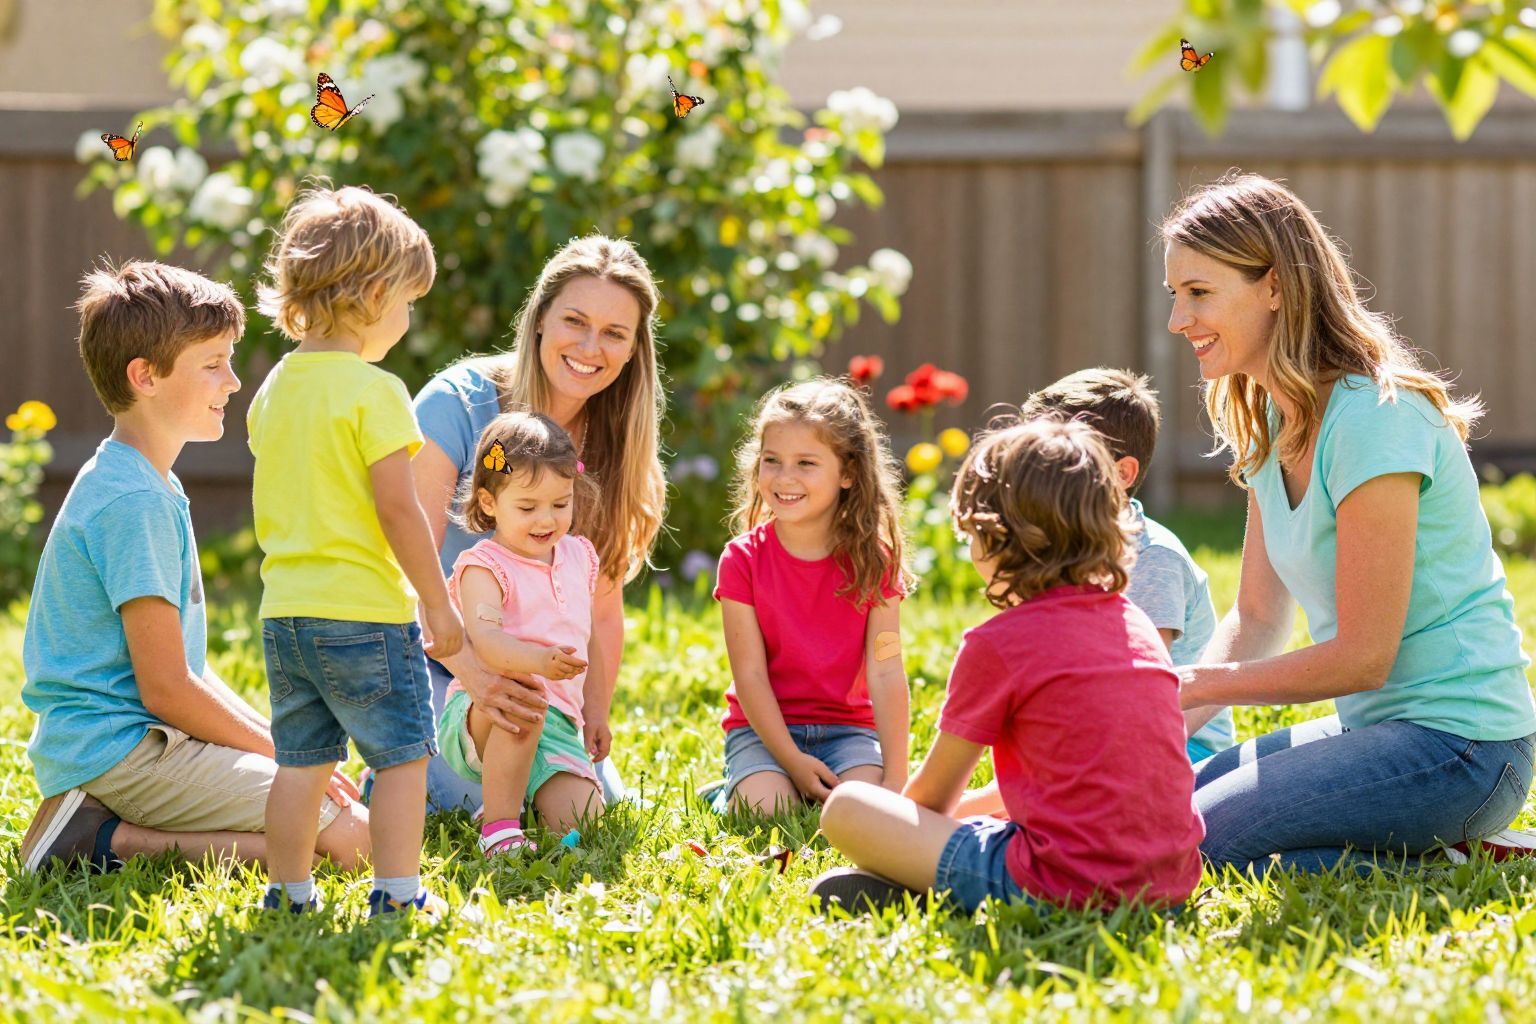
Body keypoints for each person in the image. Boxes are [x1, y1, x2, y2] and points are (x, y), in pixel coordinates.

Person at [1163, 172, 1536, 873]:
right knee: (1170, 802)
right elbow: (1257, 613)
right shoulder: (1272, 417)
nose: (1179, 321)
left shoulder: (1372, 418)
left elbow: (1367, 658)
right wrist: (1160, 731)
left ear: (1275, 286)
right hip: (1381, 732)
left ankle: (1450, 857)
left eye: (1200, 293)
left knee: (1193, 844)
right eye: (1175, 295)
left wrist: (1198, 684)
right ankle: (1435, 842)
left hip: (1464, 749)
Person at [17, 259, 368, 875]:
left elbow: (188, 672)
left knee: (331, 816)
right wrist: (290, 757)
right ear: (144, 376)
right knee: (357, 840)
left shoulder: (143, 479)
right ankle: (100, 842)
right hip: (121, 751)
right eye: (213, 365)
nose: (233, 382)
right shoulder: (134, 500)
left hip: (139, 740)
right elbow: (167, 690)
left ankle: (97, 832)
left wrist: (293, 750)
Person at [812, 418, 1204, 913]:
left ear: (994, 538)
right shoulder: (1136, 624)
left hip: (1063, 886)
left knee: (849, 807)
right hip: (1169, 880)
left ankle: (918, 881)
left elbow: (929, 801)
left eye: (971, 536)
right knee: (981, 828)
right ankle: (932, 875)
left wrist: (892, 837)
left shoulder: (999, 644)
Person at [248, 184, 463, 916]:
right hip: (366, 614)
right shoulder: (376, 392)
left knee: (300, 765)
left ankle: (288, 892)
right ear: (372, 294)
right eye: (406, 302)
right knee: (402, 759)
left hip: (286, 615)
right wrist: (437, 601)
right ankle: (399, 894)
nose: (407, 320)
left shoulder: (273, 388)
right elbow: (399, 510)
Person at [410, 235, 666, 813]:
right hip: (435, 659)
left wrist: (591, 712)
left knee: (588, 808)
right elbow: (404, 573)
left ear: (632, 350)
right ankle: (400, 764)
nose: (590, 347)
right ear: (540, 320)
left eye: (614, 333)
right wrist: (477, 676)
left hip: (546, 686)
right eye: (575, 321)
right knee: (479, 796)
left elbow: (601, 609)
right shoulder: (457, 404)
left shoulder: (617, 439)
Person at [712, 378, 913, 813]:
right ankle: (733, 790)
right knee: (770, 809)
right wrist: (792, 761)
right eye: (772, 460)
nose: (785, 478)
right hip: (764, 732)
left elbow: (886, 670)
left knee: (863, 810)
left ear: (848, 473)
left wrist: (896, 778)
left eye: (806, 463)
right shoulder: (741, 560)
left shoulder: (874, 561)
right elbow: (750, 677)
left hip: (849, 732)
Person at [1020, 368, 1231, 762]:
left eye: (1058, 463)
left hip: (1178, 747)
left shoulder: (1152, 559)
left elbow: (1143, 696)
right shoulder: (1067, 549)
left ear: (1122, 473)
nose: (1035, 479)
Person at [438, 413, 609, 856]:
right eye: (528, 507)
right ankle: (498, 829)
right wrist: (538, 661)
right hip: (491, 706)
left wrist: (597, 712)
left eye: (560, 503)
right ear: (490, 502)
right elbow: (488, 643)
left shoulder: (578, 557)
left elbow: (590, 640)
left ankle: (516, 807)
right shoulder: (485, 566)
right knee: (527, 696)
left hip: (558, 721)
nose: (546, 519)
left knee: (584, 820)